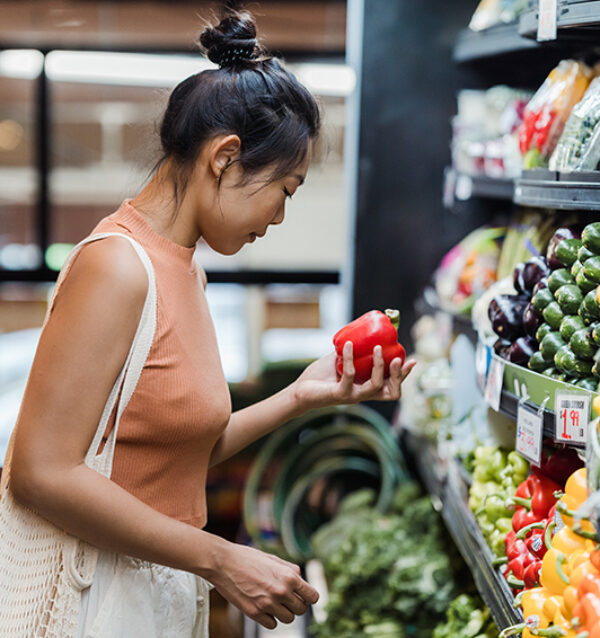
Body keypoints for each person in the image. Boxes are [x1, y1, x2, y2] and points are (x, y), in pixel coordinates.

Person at [6, 10, 415, 637]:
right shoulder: (118, 265)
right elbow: (40, 471)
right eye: (287, 187)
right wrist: (221, 559)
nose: (280, 215)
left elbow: (173, 452)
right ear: (225, 158)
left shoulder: (186, 269)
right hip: (93, 594)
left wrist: (301, 397)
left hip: (159, 582)